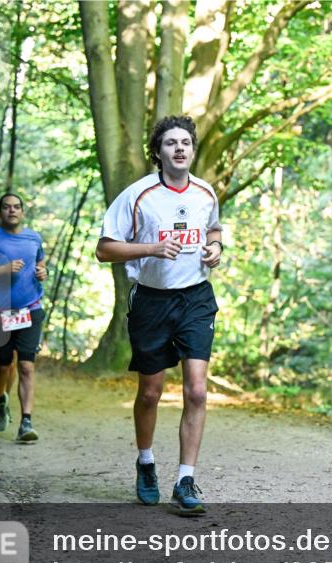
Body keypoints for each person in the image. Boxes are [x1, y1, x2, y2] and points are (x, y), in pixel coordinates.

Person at [96, 115, 223, 515]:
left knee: (197, 390)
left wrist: (216, 249)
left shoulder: (205, 193)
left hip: (196, 299)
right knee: (150, 392)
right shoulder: (138, 196)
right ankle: (146, 462)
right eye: (171, 143)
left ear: (193, 149)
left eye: (186, 142)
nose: (180, 149)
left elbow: (215, 229)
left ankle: (186, 479)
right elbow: (104, 249)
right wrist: (150, 248)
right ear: (158, 152)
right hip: (152, 301)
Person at [0, 193, 47, 442]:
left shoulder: (34, 237)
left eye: (16, 207)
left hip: (30, 309)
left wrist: (42, 272)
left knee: (26, 365)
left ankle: (26, 421)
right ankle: (0, 399)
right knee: (2, 363)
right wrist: (3, 269)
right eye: (6, 207)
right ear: (0, 212)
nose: (12, 211)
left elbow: (41, 264)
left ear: (22, 211)